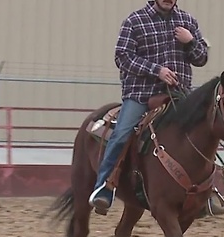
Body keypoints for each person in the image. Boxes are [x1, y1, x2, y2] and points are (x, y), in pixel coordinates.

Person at [88, 0, 209, 213]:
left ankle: (207, 191)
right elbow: (122, 57)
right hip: (141, 95)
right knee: (122, 133)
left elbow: (201, 59)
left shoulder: (188, 21)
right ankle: (105, 187)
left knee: (204, 130)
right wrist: (157, 71)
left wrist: (190, 41)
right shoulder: (134, 21)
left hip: (178, 95)